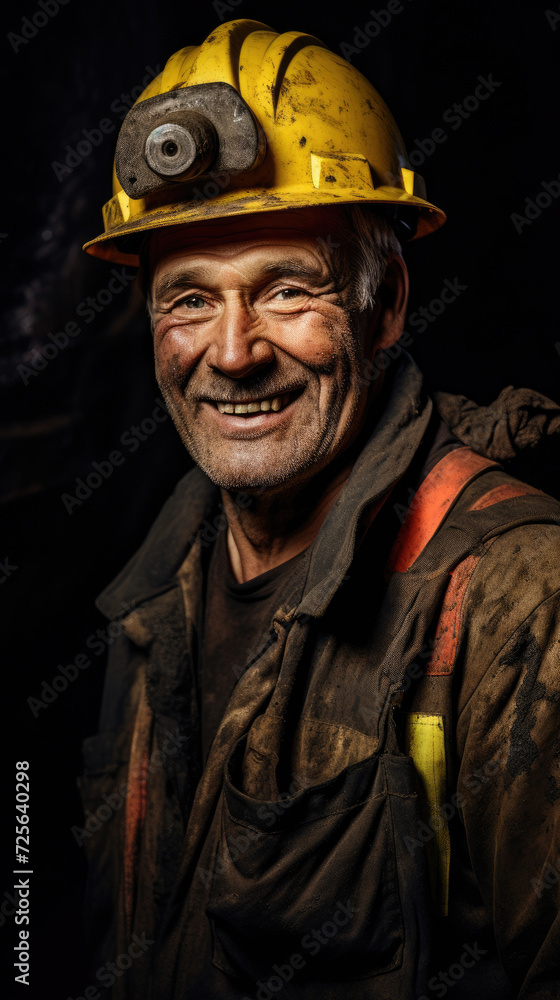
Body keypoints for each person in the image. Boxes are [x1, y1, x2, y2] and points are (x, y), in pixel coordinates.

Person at [79, 18, 560, 1000]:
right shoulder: (154, 593)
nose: (232, 353)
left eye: (287, 289)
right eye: (189, 300)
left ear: (386, 305)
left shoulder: (517, 597)